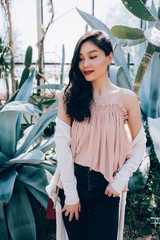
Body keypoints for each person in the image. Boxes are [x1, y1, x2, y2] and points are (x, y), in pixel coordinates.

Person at [46, 30, 146, 240]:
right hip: (73, 182)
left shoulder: (126, 99)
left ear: (109, 57)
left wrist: (120, 180)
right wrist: (71, 194)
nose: (86, 65)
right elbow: (62, 146)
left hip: (107, 187)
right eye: (81, 59)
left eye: (93, 56)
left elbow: (139, 145)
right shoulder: (70, 96)